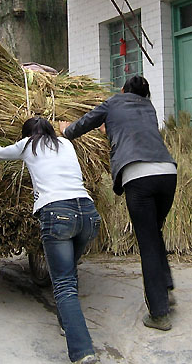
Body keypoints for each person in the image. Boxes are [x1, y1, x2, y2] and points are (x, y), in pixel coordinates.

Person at [0, 116, 101, 364]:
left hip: (57, 214)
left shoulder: (27, 145)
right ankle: (65, 321)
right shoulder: (65, 144)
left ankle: (82, 351)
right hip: (88, 215)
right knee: (68, 270)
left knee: (64, 283)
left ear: (28, 134)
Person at [59, 75, 177, 331]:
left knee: (147, 242)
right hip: (168, 174)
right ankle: (166, 287)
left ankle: (159, 313)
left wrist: (65, 130)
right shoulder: (149, 107)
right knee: (154, 233)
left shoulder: (113, 102)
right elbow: (131, 129)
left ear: (123, 90)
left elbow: (84, 123)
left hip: (139, 176)